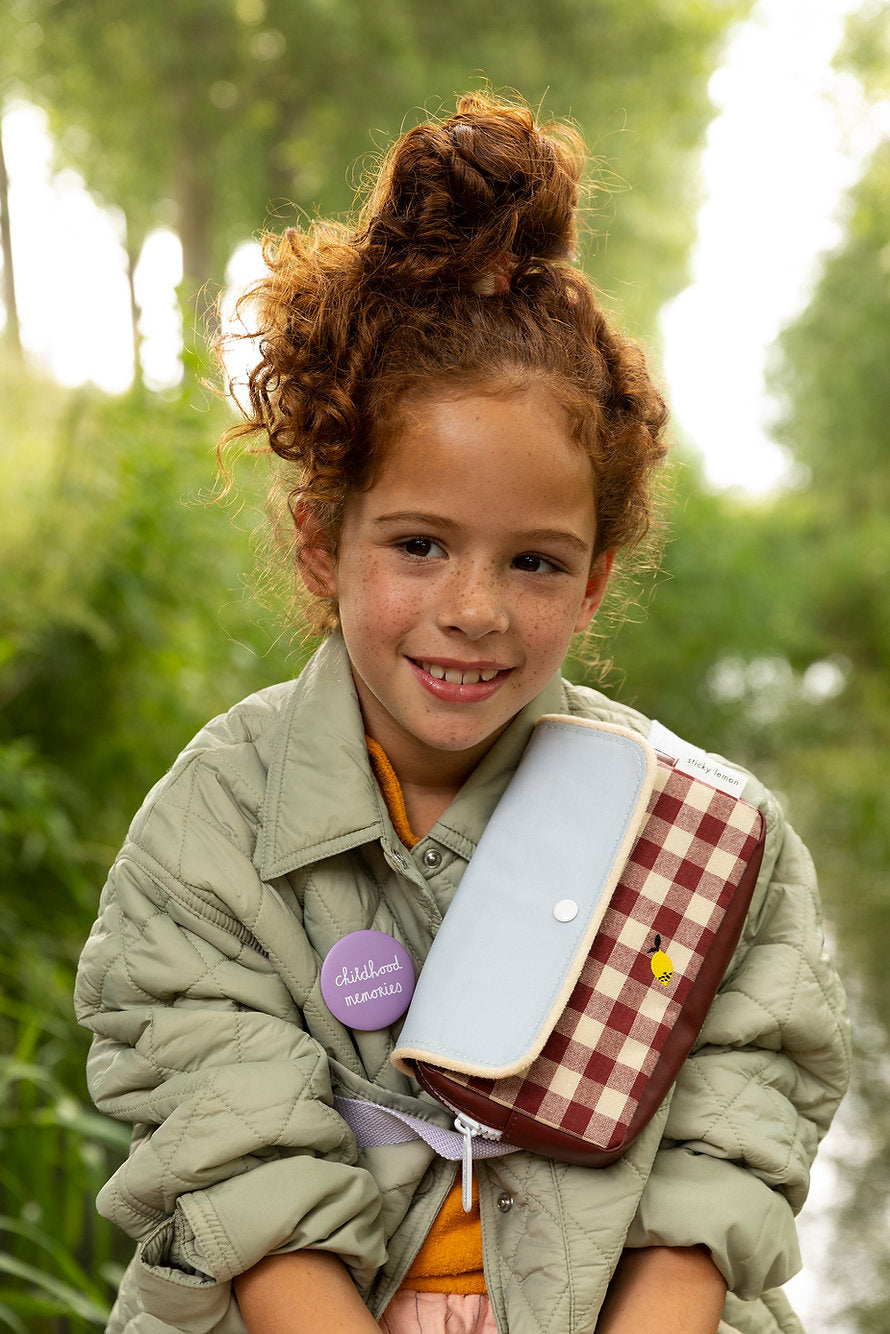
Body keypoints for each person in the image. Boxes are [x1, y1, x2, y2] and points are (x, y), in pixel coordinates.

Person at [74, 94, 850, 1334]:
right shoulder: (214, 828)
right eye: (420, 543)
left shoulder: (709, 836)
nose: (473, 608)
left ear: (594, 580)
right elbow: (241, 1172)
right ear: (323, 543)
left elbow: (733, 1135)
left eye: (534, 562)